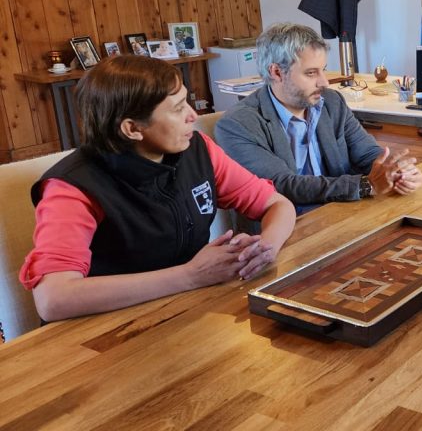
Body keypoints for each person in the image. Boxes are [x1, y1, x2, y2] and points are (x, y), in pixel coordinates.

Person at [20, 56, 296, 322]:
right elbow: (53, 299)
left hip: (187, 311)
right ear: (132, 128)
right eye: (177, 109)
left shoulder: (197, 150)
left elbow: (277, 204)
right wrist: (189, 276)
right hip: (104, 334)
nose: (193, 115)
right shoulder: (72, 186)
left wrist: (266, 247)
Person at [216, 23, 422, 214]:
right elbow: (283, 185)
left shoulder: (332, 102)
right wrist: (365, 185)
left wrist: (397, 171)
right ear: (277, 72)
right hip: (288, 232)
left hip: (343, 213)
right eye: (311, 73)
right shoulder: (237, 124)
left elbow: (367, 153)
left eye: (323, 70)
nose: (324, 82)